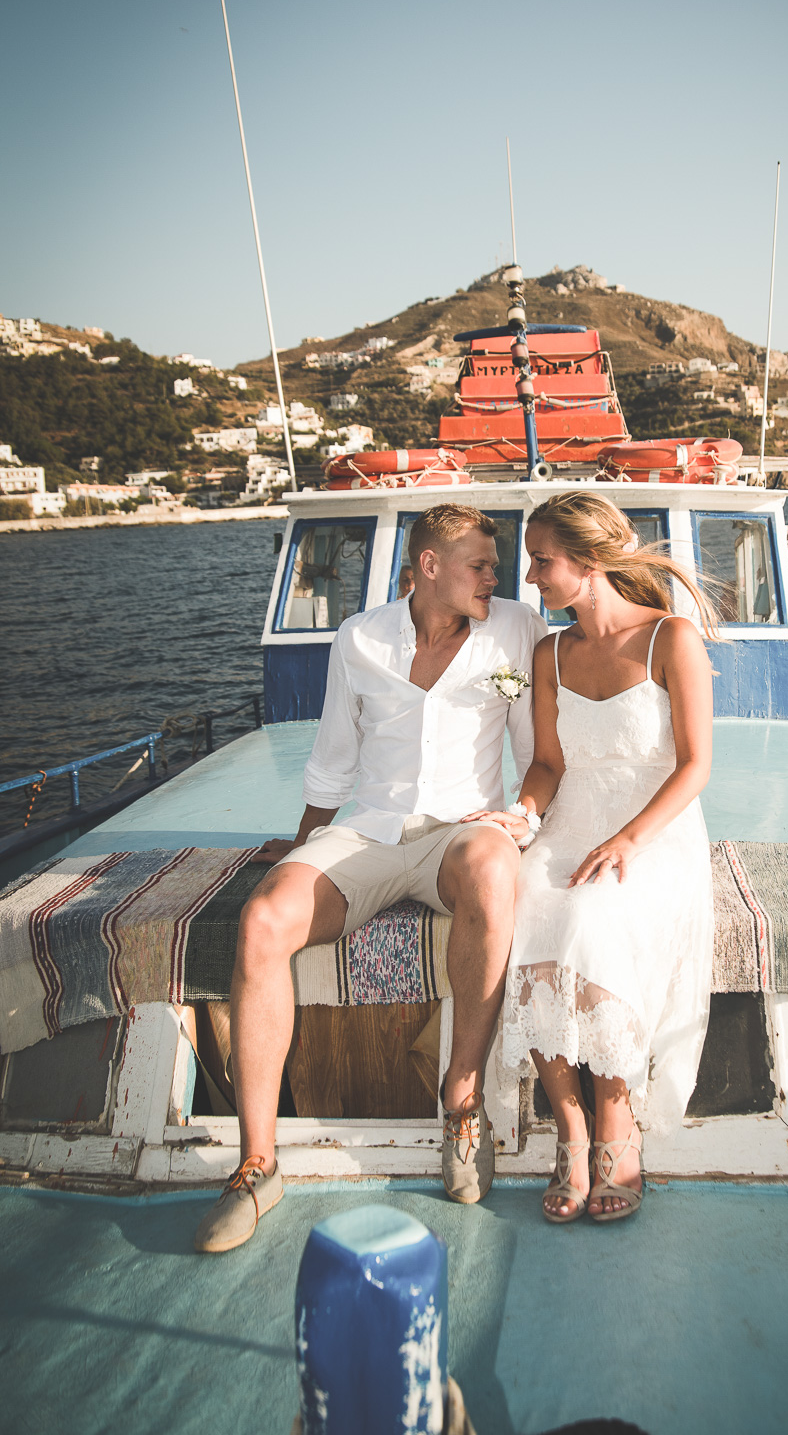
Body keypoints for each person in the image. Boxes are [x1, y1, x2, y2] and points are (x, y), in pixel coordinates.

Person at [194, 503, 546, 1252]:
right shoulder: (360, 639)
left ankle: (462, 1102)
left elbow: (532, 746)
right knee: (263, 920)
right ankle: (257, 1163)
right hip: (373, 830)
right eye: (479, 564)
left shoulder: (515, 630)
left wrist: (522, 820)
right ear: (428, 567)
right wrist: (299, 849)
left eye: (494, 565)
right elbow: (332, 759)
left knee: (490, 866)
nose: (495, 575)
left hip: (462, 832)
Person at [463, 493, 717, 1225]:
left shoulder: (672, 638)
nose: (530, 576)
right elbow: (546, 762)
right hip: (571, 821)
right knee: (528, 907)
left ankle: (616, 1124)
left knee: (595, 920)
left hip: (655, 827)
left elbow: (696, 767)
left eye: (541, 561)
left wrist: (630, 838)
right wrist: (523, 814)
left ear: (590, 562)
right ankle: (570, 1131)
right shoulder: (550, 652)